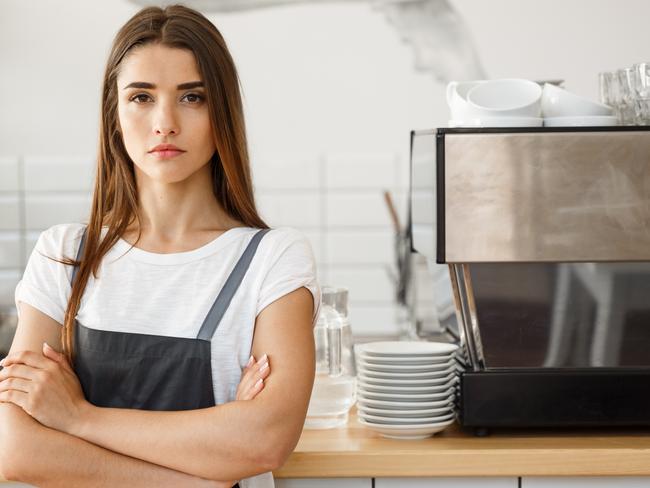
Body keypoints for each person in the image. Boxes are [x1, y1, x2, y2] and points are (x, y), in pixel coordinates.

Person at [0, 4, 320, 488]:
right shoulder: (64, 255)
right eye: (142, 97)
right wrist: (206, 472)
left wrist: (76, 417)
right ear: (115, 113)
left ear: (222, 112)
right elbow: (17, 449)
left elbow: (264, 440)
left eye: (192, 97)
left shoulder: (272, 259)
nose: (165, 122)